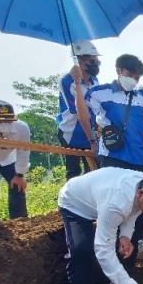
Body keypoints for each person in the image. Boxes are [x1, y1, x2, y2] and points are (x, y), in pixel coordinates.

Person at [84, 54, 143, 172]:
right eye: (130, 75)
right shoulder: (100, 93)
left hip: (137, 157)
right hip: (112, 153)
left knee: (136, 190)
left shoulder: (142, 100)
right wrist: (77, 84)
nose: (133, 80)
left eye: (136, 78)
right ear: (119, 70)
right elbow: (83, 116)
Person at [57, 40, 101, 180]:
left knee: (93, 172)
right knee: (73, 172)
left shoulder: (95, 80)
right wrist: (77, 82)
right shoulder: (67, 80)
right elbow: (78, 111)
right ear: (80, 60)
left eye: (97, 61)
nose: (96, 64)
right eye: (92, 61)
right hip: (71, 132)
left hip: (91, 132)